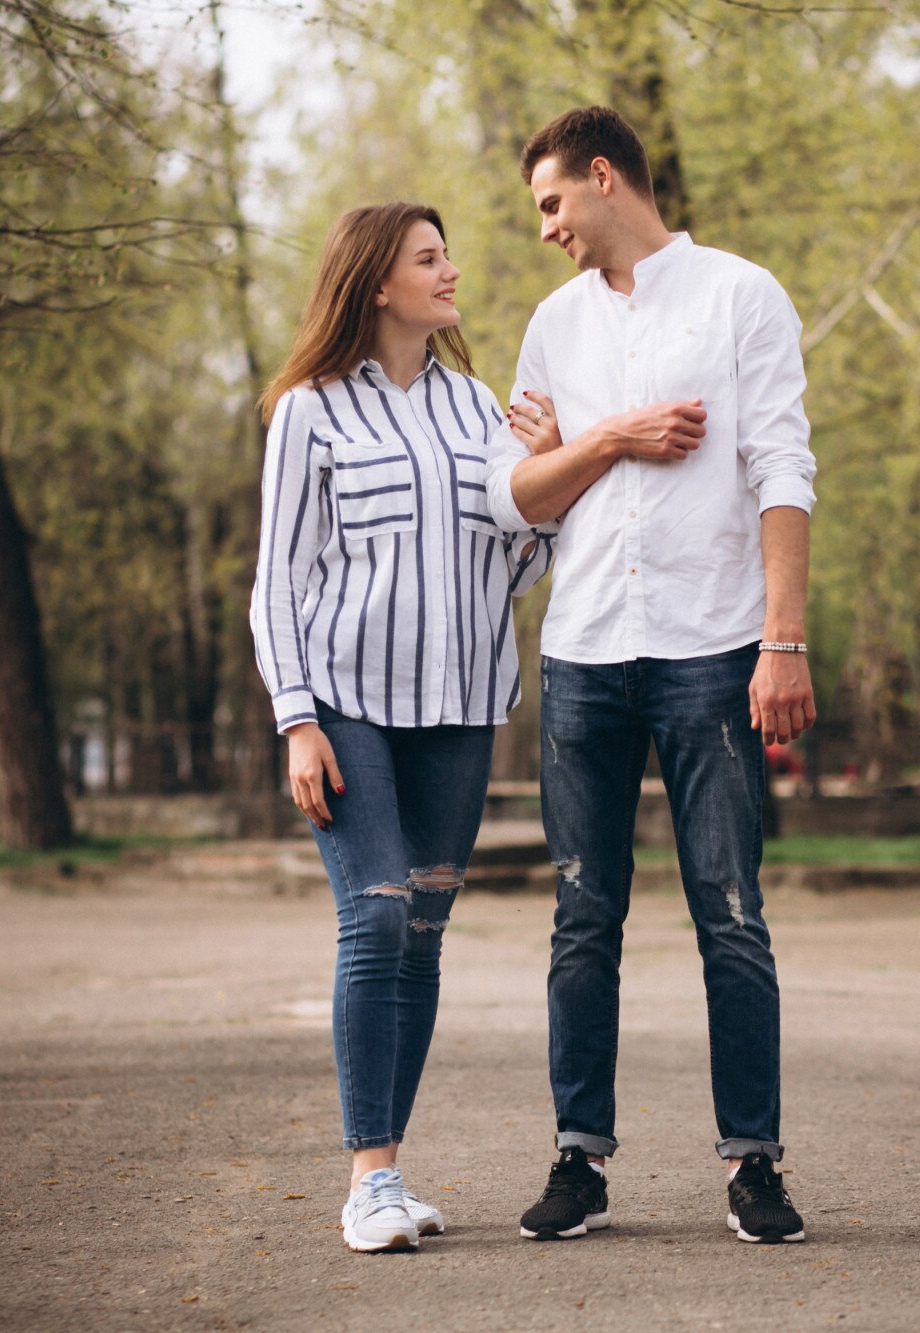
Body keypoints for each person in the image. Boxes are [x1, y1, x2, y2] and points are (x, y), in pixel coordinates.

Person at [487, 107, 818, 1244]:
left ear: (600, 177)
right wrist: (611, 436)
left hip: (709, 651)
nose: (545, 230)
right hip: (580, 653)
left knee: (729, 913)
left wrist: (782, 640)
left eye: (549, 204)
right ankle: (578, 1159)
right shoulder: (551, 327)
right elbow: (521, 496)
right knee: (583, 920)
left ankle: (754, 1163)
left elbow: (781, 465)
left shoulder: (739, 297)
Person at [250, 202, 558, 1253]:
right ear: (376, 283)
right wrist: (297, 720)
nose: (450, 270)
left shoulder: (476, 408)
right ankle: (366, 1180)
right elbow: (275, 581)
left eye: (446, 254)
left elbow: (512, 565)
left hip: (461, 708)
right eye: (428, 258)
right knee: (373, 916)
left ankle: (390, 1171)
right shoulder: (308, 410)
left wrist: (543, 489)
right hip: (344, 704)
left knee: (421, 934)